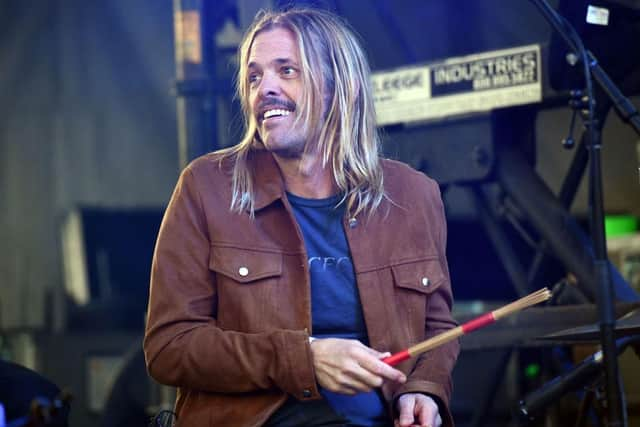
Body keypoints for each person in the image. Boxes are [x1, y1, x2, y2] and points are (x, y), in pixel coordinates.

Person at [143, 7, 459, 427]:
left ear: (339, 86)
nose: (264, 90)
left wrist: (425, 390)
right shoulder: (206, 188)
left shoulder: (414, 195)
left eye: (286, 70)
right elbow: (169, 347)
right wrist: (303, 358)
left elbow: (438, 329)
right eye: (254, 77)